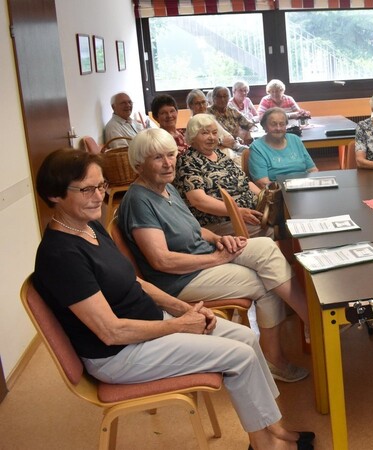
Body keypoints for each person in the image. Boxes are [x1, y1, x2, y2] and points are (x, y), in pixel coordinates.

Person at [32, 149, 315, 450]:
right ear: (54, 195)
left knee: (246, 337)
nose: (98, 196)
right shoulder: (61, 256)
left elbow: (134, 281)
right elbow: (111, 331)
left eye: (101, 186)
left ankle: (274, 429)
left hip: (150, 324)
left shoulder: (89, 227)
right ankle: (265, 444)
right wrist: (181, 325)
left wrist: (185, 309)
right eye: (87, 189)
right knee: (240, 356)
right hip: (119, 355)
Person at [118, 128, 311, 383]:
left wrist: (220, 239)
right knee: (264, 284)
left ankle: (309, 319)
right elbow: (161, 261)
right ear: (139, 165)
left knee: (265, 246)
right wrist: (216, 259)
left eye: (170, 155)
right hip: (180, 279)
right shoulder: (138, 200)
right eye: (157, 158)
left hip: (202, 257)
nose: (167, 163)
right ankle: (290, 345)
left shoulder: (166, 188)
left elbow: (194, 227)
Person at [175, 114, 267, 238]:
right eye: (205, 133)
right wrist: (237, 212)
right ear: (192, 136)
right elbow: (198, 201)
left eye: (214, 133)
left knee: (284, 219)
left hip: (248, 213)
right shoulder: (188, 161)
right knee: (272, 230)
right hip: (220, 222)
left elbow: (246, 182)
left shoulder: (221, 155)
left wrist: (265, 197)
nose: (212, 137)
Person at [249, 107, 318, 189]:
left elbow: (313, 170)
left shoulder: (295, 139)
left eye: (282, 124)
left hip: (305, 188)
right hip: (278, 193)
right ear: (264, 127)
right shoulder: (257, 147)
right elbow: (263, 184)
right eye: (273, 124)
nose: (278, 128)